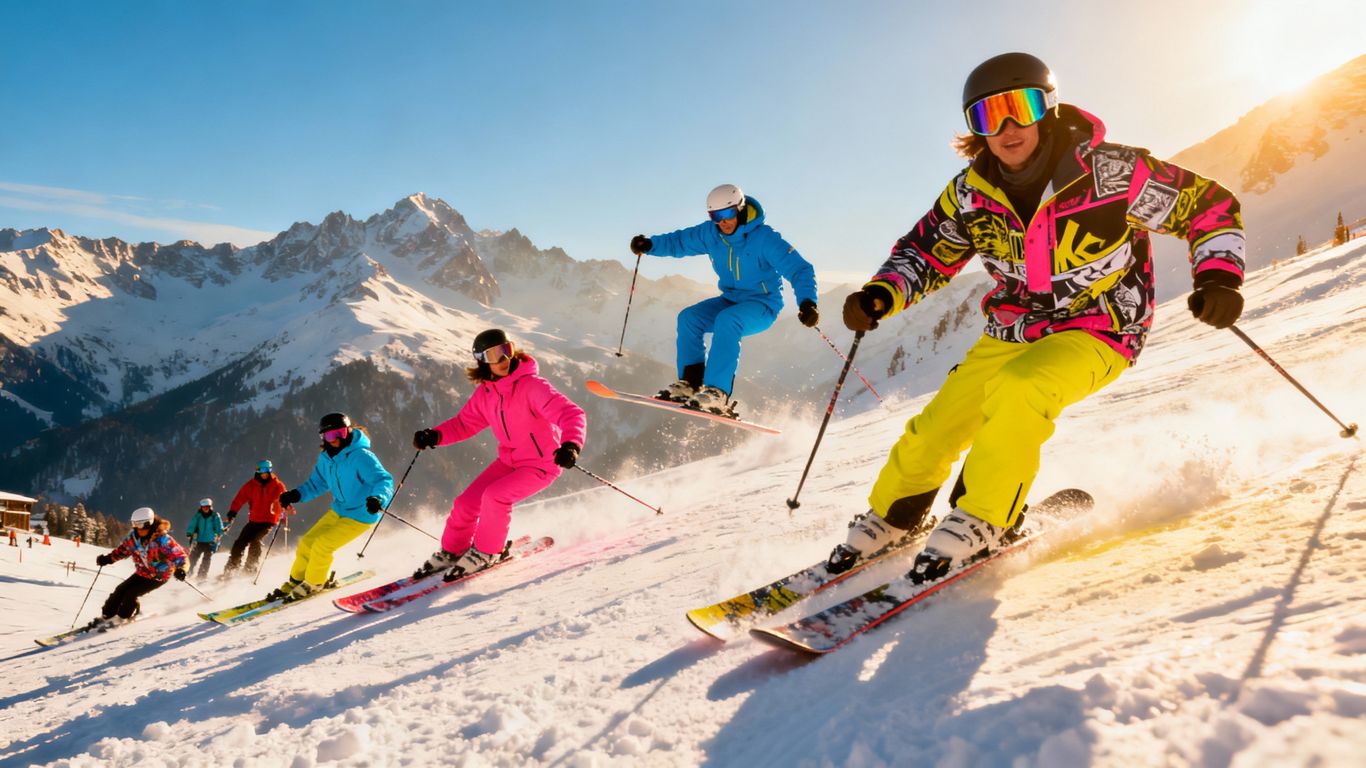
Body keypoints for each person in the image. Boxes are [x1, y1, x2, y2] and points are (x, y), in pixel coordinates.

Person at [831, 52, 1245, 581]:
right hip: (1014, 327)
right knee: (940, 422)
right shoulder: (970, 194)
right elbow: (926, 251)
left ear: (1045, 107)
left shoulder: (1111, 173)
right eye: (987, 117)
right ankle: (895, 516)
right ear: (974, 129)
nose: (1005, 128)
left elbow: (1207, 206)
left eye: (1018, 107)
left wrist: (1218, 277)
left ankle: (985, 516)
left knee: (1022, 389)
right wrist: (880, 295)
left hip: (1102, 326)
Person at [629, 183, 820, 415]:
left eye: (727, 214)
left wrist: (807, 302)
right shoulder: (711, 234)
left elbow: (800, 269)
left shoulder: (764, 238)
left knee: (728, 321)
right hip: (730, 299)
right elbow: (680, 241)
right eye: (715, 216)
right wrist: (650, 245)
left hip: (762, 305)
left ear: (739, 209)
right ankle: (690, 384)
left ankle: (716, 393)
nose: (722, 222)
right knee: (689, 318)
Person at [412, 329, 586, 579]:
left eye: (507, 350)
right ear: (482, 361)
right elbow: (464, 424)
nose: (503, 359)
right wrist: (435, 435)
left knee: (495, 497)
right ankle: (453, 551)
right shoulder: (486, 393)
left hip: (541, 464)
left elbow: (571, 414)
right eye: (494, 354)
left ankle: (487, 552)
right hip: (508, 461)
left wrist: (571, 444)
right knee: (465, 504)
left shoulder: (532, 386)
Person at [270, 413, 394, 600]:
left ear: (348, 431)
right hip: (339, 511)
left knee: (322, 545)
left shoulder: (361, 456)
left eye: (340, 433)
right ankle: (296, 581)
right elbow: (316, 484)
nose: (335, 439)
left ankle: (314, 583)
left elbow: (383, 480)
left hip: (362, 514)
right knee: (307, 543)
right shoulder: (326, 459)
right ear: (323, 438)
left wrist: (378, 499)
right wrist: (296, 494)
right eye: (329, 435)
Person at [88, 507, 187, 630]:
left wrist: (181, 569)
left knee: (131, 593)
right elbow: (122, 551)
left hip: (159, 576)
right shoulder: (133, 538)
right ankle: (107, 615)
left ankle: (123, 617)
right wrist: (108, 559)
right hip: (142, 572)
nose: (138, 528)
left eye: (140, 524)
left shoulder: (162, 539)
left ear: (149, 523)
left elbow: (180, 556)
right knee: (120, 590)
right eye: (135, 524)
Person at [220, 459, 289, 578]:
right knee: (239, 542)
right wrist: (232, 512)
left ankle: (250, 569)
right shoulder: (251, 485)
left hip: (269, 521)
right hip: (254, 520)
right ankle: (231, 568)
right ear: (257, 471)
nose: (265, 473)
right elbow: (239, 499)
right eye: (262, 470)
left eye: (268, 470)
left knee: (256, 541)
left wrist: (283, 517)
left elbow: (284, 502)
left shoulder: (278, 485)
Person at [185, 498, 225, 580]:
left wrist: (220, 531)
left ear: (210, 507)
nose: (205, 508)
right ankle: (188, 573)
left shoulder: (215, 516)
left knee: (206, 559)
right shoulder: (198, 516)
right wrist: (189, 532)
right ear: (201, 507)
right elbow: (192, 525)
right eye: (204, 507)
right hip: (199, 541)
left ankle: (202, 576)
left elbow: (219, 526)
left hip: (210, 542)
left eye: (207, 507)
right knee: (193, 558)